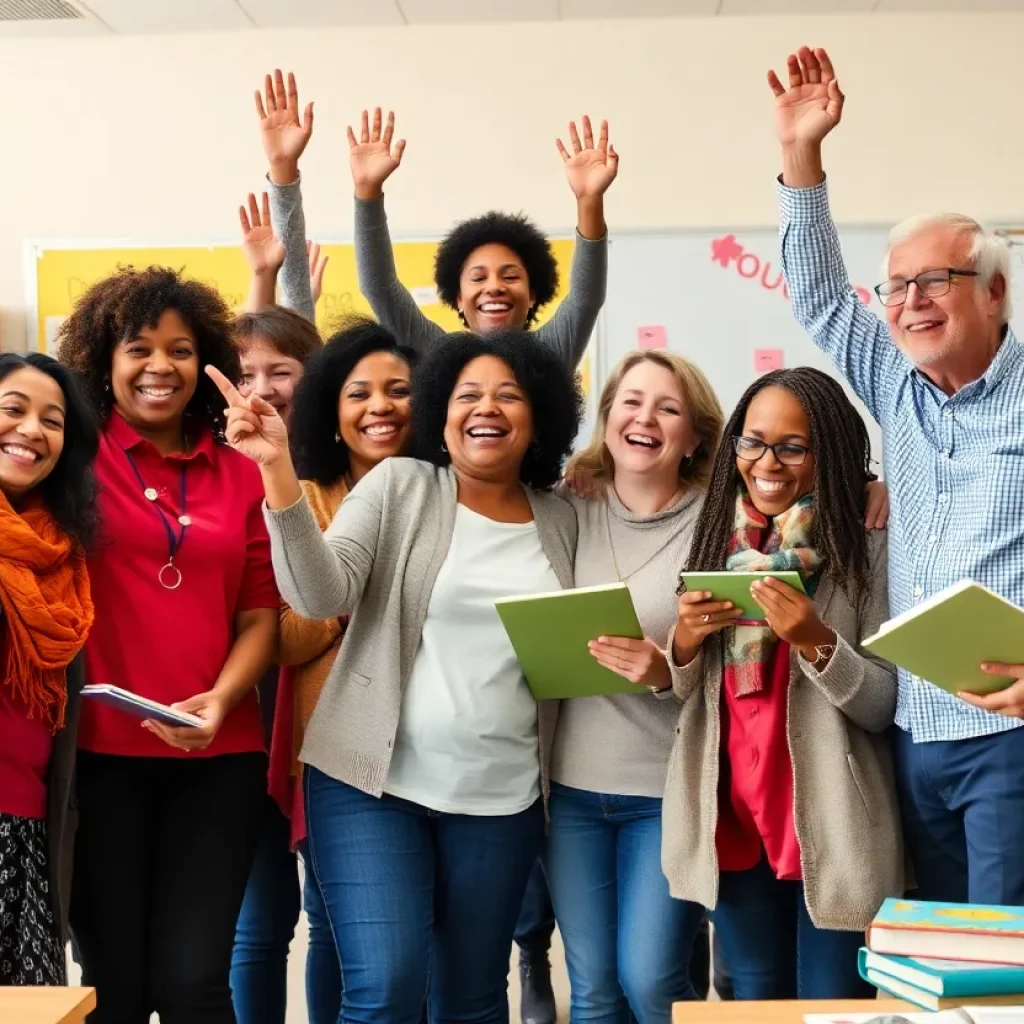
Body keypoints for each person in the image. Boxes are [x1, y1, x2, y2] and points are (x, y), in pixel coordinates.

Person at [209, 329, 581, 1024]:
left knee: (469, 1001)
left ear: (539, 418)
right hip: (368, 786)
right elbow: (321, 595)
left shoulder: (564, 519)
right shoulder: (399, 484)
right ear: (441, 412)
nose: (486, 408)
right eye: (468, 394)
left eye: (509, 395)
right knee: (385, 986)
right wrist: (277, 471)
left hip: (499, 800)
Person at [769, 45, 1024, 905]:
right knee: (947, 955)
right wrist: (803, 157)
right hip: (919, 731)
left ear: (994, 292)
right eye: (896, 285)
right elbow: (819, 298)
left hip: (1012, 729)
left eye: (934, 281)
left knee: (1006, 964)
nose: (909, 300)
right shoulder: (896, 382)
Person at [57, 267, 280, 1024]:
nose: (161, 366)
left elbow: (260, 614)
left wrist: (221, 700)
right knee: (114, 986)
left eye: (181, 350)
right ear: (103, 360)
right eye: (139, 348)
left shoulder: (241, 468)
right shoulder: (71, 462)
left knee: (192, 984)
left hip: (218, 761)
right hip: (96, 758)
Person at [664, 367, 903, 999]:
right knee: (755, 1001)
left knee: (833, 1006)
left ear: (829, 450)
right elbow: (687, 694)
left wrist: (817, 642)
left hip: (830, 823)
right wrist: (685, 641)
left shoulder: (868, 543)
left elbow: (884, 705)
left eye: (793, 446)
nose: (768, 462)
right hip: (736, 823)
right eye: (753, 441)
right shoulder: (718, 534)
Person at [545, 350, 723, 1023]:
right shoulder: (566, 506)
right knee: (592, 992)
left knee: (650, 980)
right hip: (571, 792)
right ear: (608, 413)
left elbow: (740, 671)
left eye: (667, 408)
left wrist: (665, 672)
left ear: (695, 435)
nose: (645, 418)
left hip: (665, 792)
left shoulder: (717, 522)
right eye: (631, 401)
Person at [271, 317, 417, 1024]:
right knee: (337, 929)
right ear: (333, 409)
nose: (380, 407)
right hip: (340, 750)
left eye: (399, 391)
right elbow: (290, 637)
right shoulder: (304, 498)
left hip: (441, 749)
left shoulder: (450, 489)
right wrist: (351, 600)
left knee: (424, 945)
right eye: (360, 393)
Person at [230, 298, 324, 1024]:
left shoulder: (334, 471)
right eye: (242, 372)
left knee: (332, 922)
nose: (259, 387)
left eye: (280, 371)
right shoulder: (218, 473)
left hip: (324, 739)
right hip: (243, 726)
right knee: (258, 926)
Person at [0, 353, 97, 987]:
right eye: (13, 409)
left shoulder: (62, 555)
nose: (33, 430)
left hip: (30, 833)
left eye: (53, 420)